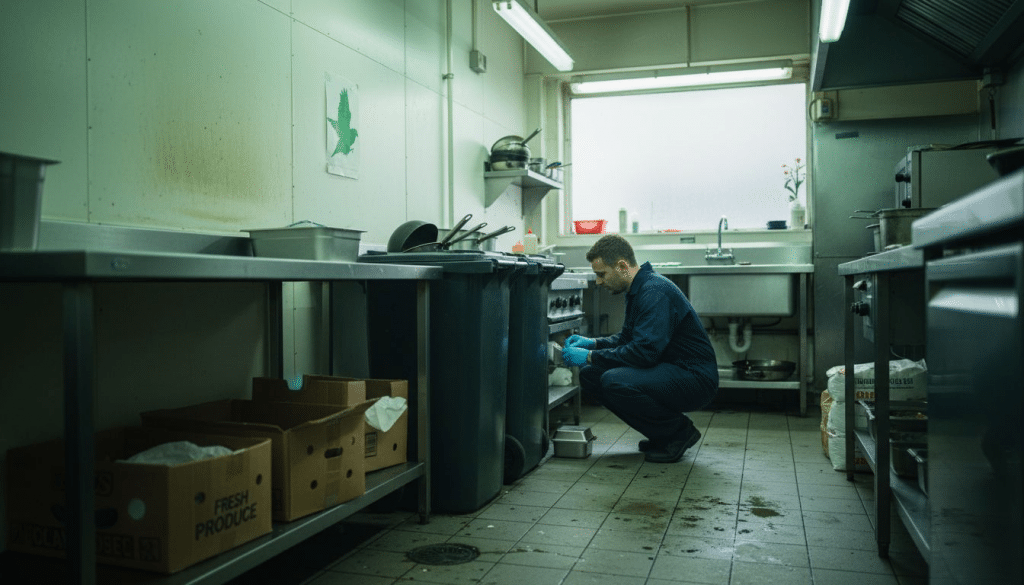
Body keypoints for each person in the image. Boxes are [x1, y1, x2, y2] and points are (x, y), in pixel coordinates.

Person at [562, 234, 718, 463]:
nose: (598, 281)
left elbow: (644, 353)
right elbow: (628, 339)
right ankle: (662, 434)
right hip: (671, 369)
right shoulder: (639, 289)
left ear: (622, 266)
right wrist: (593, 343)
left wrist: (589, 356)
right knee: (590, 376)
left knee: (615, 381)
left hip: (694, 378)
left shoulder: (654, 291)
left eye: (601, 274)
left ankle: (678, 433)